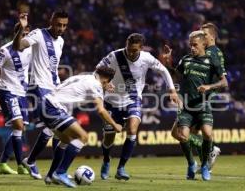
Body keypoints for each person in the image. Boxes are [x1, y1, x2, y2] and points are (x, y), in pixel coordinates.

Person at [97, 33, 180, 180]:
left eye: (134, 50)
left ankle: (121, 168)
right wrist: (103, 82)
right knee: (109, 138)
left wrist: (172, 90)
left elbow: (163, 70)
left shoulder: (146, 58)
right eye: (128, 48)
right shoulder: (114, 56)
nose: (130, 52)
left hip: (132, 99)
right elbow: (97, 70)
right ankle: (106, 160)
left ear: (141, 48)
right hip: (111, 101)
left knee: (132, 128)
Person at [40, 66, 122, 187]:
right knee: (83, 137)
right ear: (106, 80)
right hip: (53, 107)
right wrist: (115, 125)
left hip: (44, 104)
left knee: (65, 139)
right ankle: (60, 172)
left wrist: (103, 88)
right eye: (108, 82)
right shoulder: (96, 85)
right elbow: (101, 110)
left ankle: (51, 175)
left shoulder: (86, 77)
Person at [12, 9, 68, 179]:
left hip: (55, 88)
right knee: (55, 125)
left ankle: (51, 169)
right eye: (58, 24)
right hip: (39, 86)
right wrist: (22, 29)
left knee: (61, 128)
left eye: (64, 25)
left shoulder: (61, 41)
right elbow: (18, 46)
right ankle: (36, 163)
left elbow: (52, 66)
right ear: (51, 22)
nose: (60, 28)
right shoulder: (38, 34)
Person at [171, 30, 228, 181]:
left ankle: (204, 166)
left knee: (208, 134)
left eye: (195, 45)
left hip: (203, 105)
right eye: (190, 45)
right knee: (182, 135)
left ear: (203, 44)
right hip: (187, 106)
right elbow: (176, 76)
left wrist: (209, 87)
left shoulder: (212, 61)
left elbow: (224, 82)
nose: (192, 48)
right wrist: (168, 63)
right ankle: (191, 164)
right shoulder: (186, 59)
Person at [0, 23, 31, 175]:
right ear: (16, 33)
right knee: (19, 126)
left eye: (27, 33)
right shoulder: (5, 50)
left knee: (19, 129)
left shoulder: (30, 48)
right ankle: (21, 165)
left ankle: (2, 163)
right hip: (7, 91)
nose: (25, 37)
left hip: (22, 93)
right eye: (22, 33)